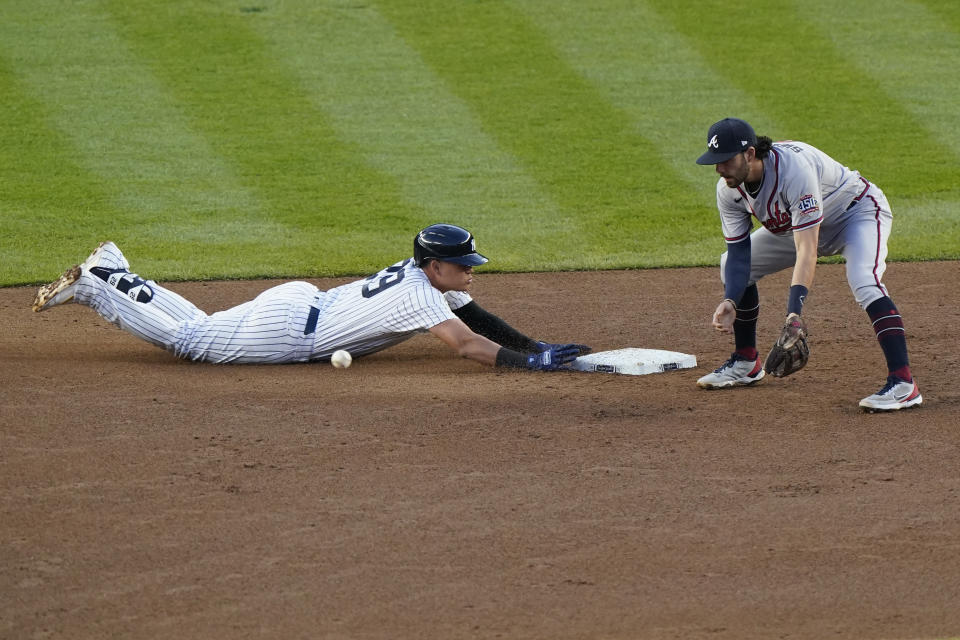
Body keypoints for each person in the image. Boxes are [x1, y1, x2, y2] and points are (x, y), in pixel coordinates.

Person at [32, 224, 591, 370]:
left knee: (200, 326)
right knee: (192, 341)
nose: (470, 273)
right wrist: (530, 364)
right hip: (289, 330)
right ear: (436, 265)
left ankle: (114, 273)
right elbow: (469, 346)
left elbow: (478, 316)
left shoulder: (422, 277)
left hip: (299, 304)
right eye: (463, 265)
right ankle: (101, 280)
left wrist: (533, 343)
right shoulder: (423, 296)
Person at [693, 117, 921, 412]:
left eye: (726, 160)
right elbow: (739, 253)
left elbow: (807, 250)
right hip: (796, 228)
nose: (719, 169)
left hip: (855, 214)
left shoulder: (792, 172)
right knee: (729, 265)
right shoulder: (728, 189)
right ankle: (746, 361)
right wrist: (730, 299)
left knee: (864, 280)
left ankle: (903, 385)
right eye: (716, 161)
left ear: (749, 154)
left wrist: (793, 315)